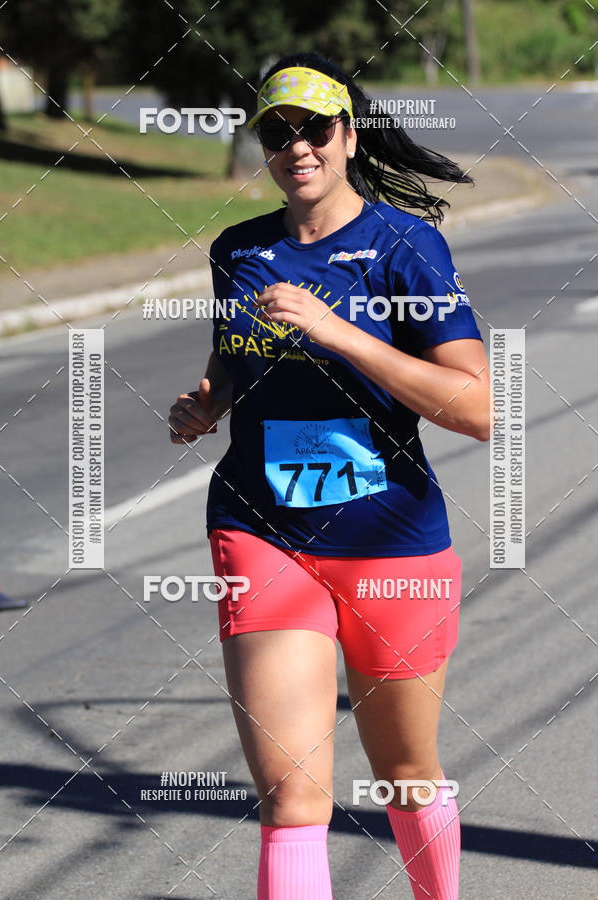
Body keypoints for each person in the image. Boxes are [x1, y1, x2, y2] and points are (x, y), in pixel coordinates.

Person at [169, 52, 490, 900]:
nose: (297, 146)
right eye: (278, 131)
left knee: (407, 772)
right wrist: (207, 402)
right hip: (262, 530)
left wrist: (338, 331)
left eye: (315, 128)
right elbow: (233, 363)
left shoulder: (405, 247)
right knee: (291, 795)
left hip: (390, 543)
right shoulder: (239, 251)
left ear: (348, 135)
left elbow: (477, 406)